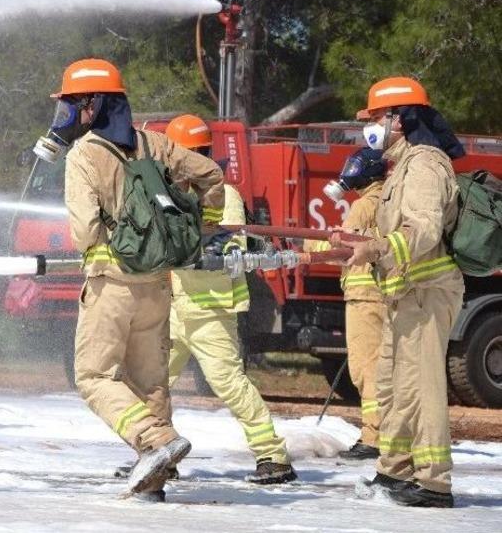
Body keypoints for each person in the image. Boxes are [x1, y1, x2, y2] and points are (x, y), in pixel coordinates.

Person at [45, 59, 225, 501]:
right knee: (152, 383)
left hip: (112, 285)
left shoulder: (83, 154)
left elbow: (86, 230)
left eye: (71, 103)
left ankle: (154, 441)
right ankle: (154, 482)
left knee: (93, 376)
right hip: (157, 285)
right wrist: (205, 227)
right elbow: (212, 175)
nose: (66, 113)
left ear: (93, 104)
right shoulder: (154, 142)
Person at [337, 77, 465, 508]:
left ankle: (433, 483)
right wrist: (366, 247)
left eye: (375, 118)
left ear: (400, 119)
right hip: (403, 293)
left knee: (422, 387)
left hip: (428, 291)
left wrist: (374, 246)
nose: (368, 127)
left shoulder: (426, 163)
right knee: (393, 386)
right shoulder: (403, 164)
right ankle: (394, 471)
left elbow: (424, 228)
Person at [164, 114, 297, 485]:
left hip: (211, 309)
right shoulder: (173, 195)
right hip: (174, 306)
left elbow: (232, 245)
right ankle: (157, 454)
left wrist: (197, 247)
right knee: (154, 383)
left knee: (229, 384)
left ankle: (273, 455)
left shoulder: (225, 195)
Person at [313, 147, 388, 460]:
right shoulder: (386, 199)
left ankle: (373, 438)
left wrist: (308, 244)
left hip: (363, 296)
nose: (348, 172)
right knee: (382, 368)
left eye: (353, 166)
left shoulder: (364, 206)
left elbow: (344, 249)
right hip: (381, 293)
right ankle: (385, 434)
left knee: (365, 369)